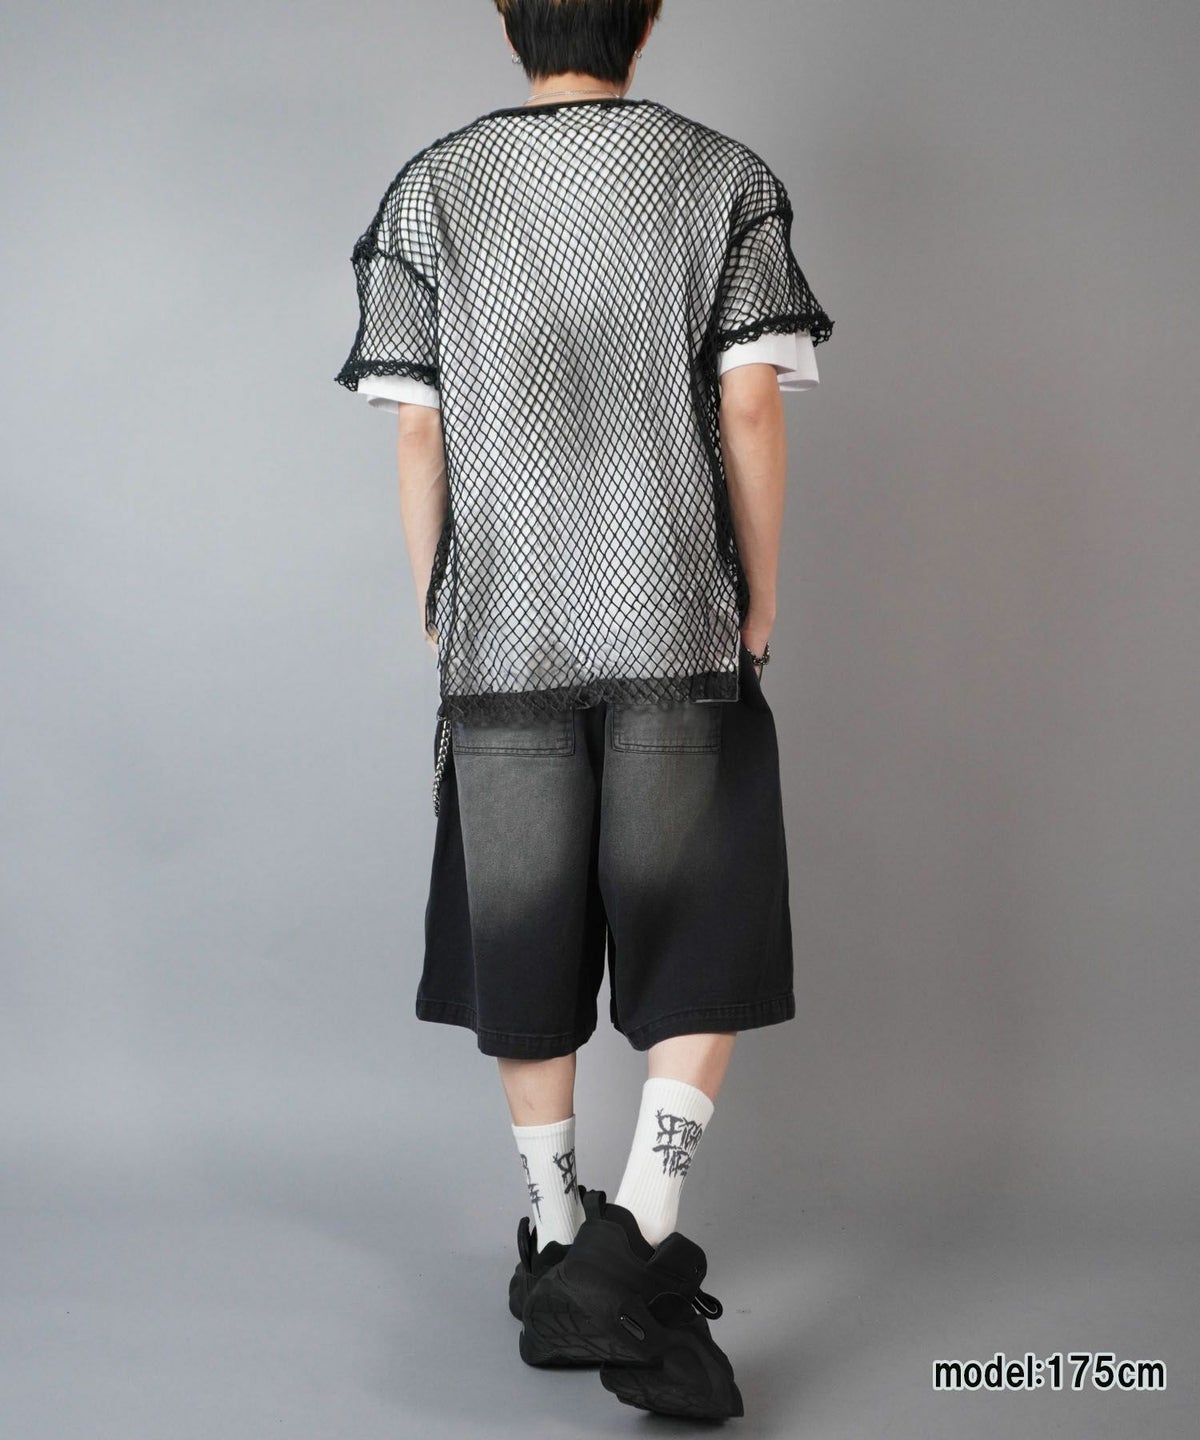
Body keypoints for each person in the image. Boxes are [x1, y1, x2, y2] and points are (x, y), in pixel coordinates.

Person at [334, 0, 833, 1420]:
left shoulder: (434, 191)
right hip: (675, 618)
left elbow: (420, 423)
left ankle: (559, 1236)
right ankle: (640, 1231)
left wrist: (438, 597)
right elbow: (750, 406)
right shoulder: (723, 178)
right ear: (647, 15)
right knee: (703, 933)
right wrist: (761, 593)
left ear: (508, 12)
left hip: (507, 636)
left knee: (525, 935)